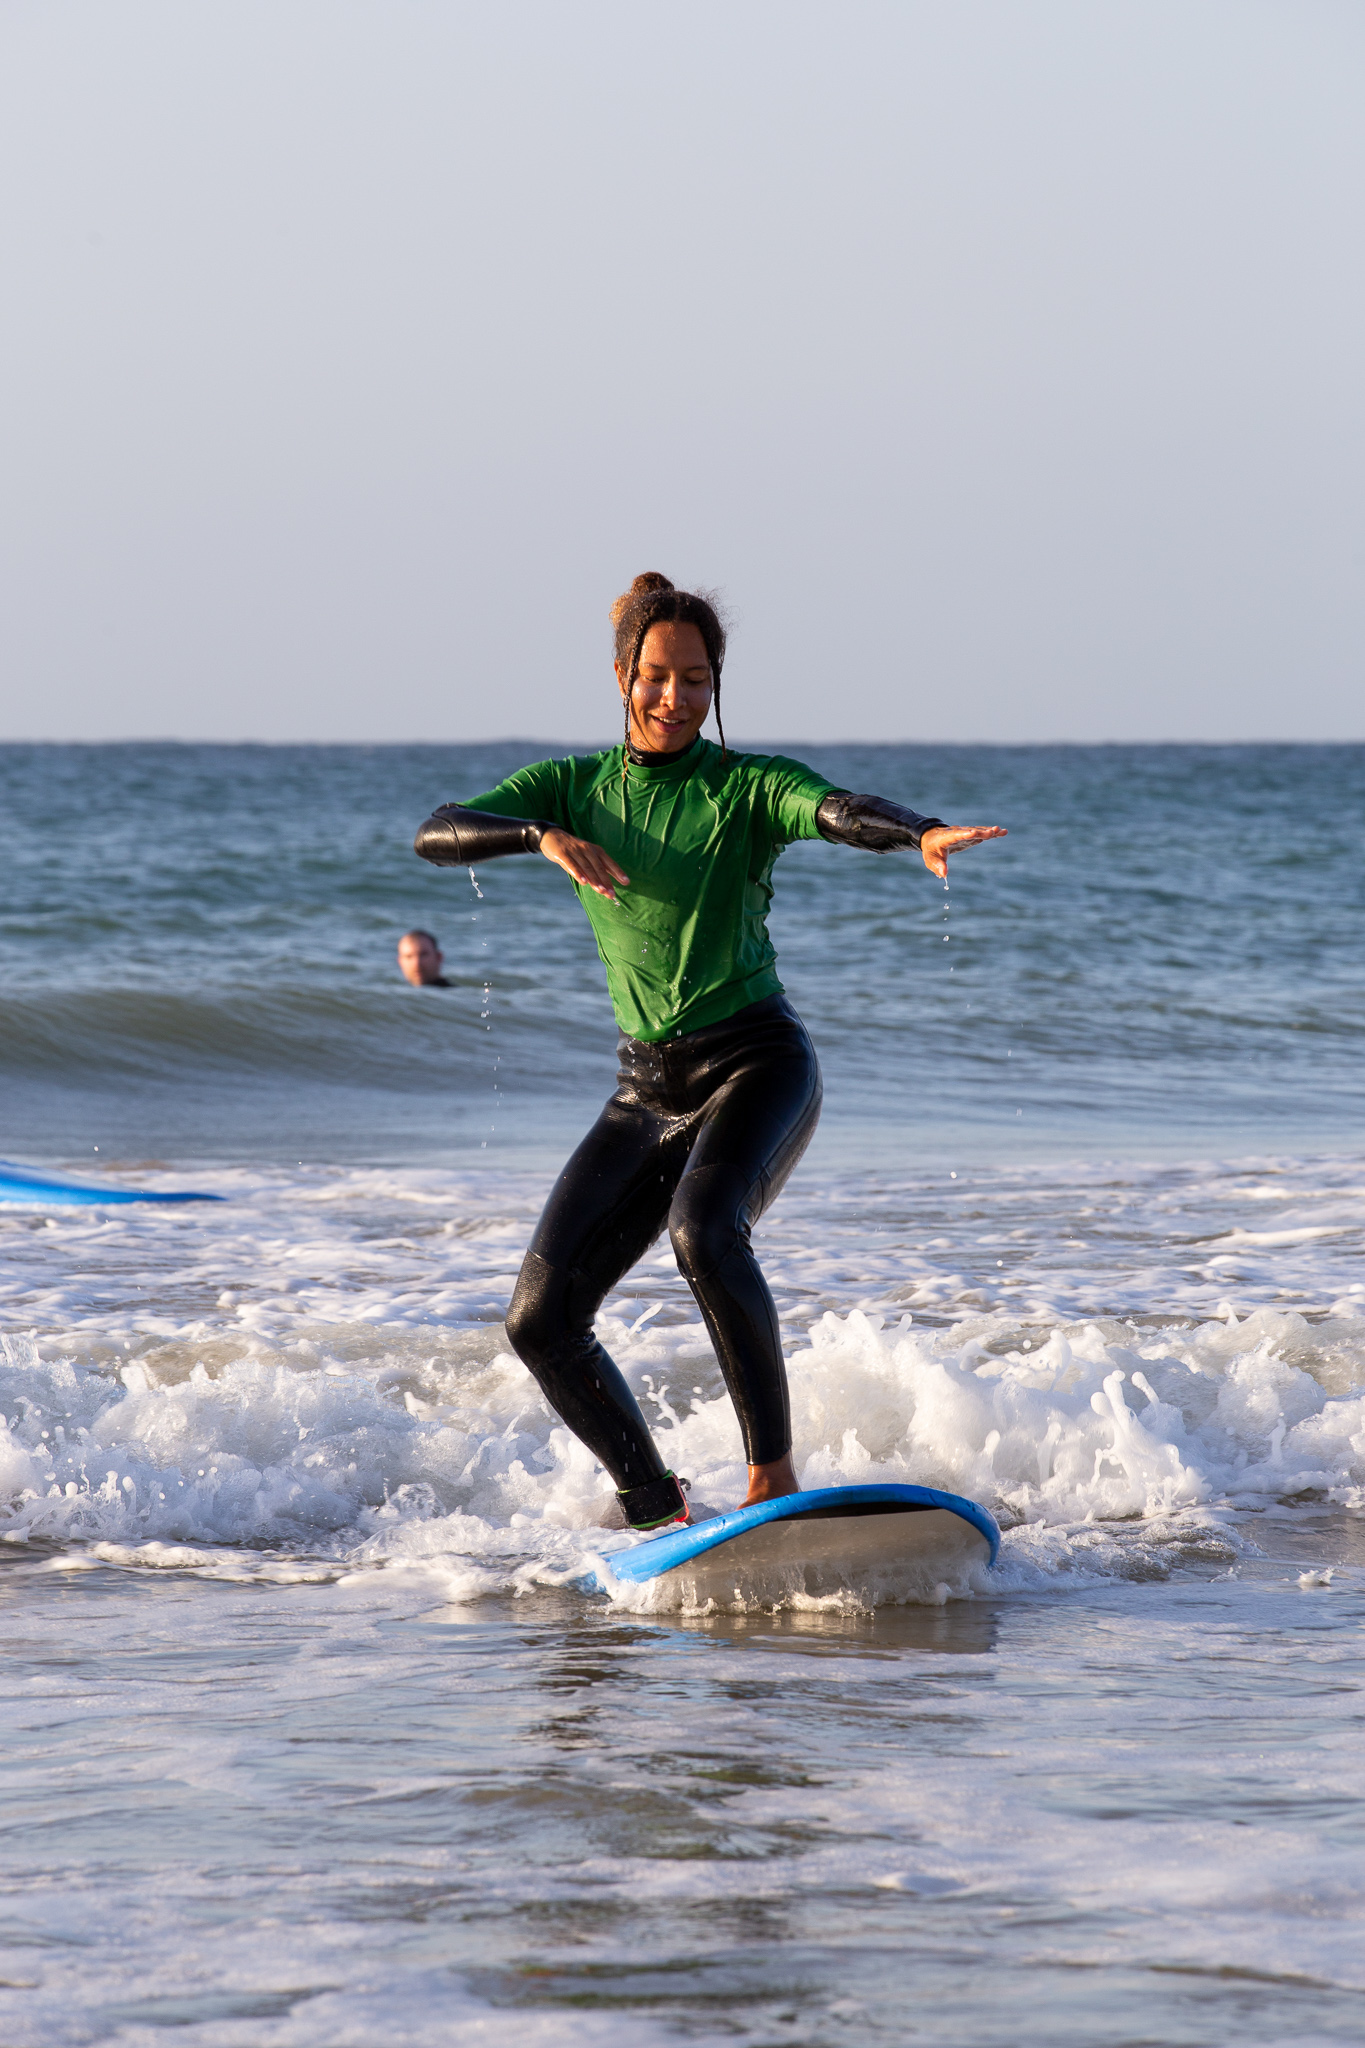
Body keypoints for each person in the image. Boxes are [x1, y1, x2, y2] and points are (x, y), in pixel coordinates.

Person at [415, 573, 1004, 1532]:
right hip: (645, 1090)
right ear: (621, 676)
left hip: (757, 1063)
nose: (675, 697)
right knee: (539, 1322)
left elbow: (834, 807)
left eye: (696, 679)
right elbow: (435, 834)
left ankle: (772, 1479)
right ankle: (656, 1509)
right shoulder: (570, 788)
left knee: (703, 1230)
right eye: (656, 676)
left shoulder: (743, 787)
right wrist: (539, 836)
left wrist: (919, 832)